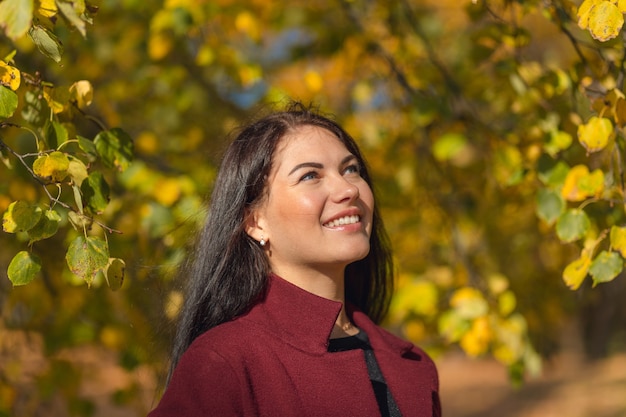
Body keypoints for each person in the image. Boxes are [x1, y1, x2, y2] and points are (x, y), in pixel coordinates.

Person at [148, 102, 441, 417]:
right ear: (255, 222)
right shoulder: (224, 363)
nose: (347, 189)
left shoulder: (413, 366)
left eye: (351, 169)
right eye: (310, 176)